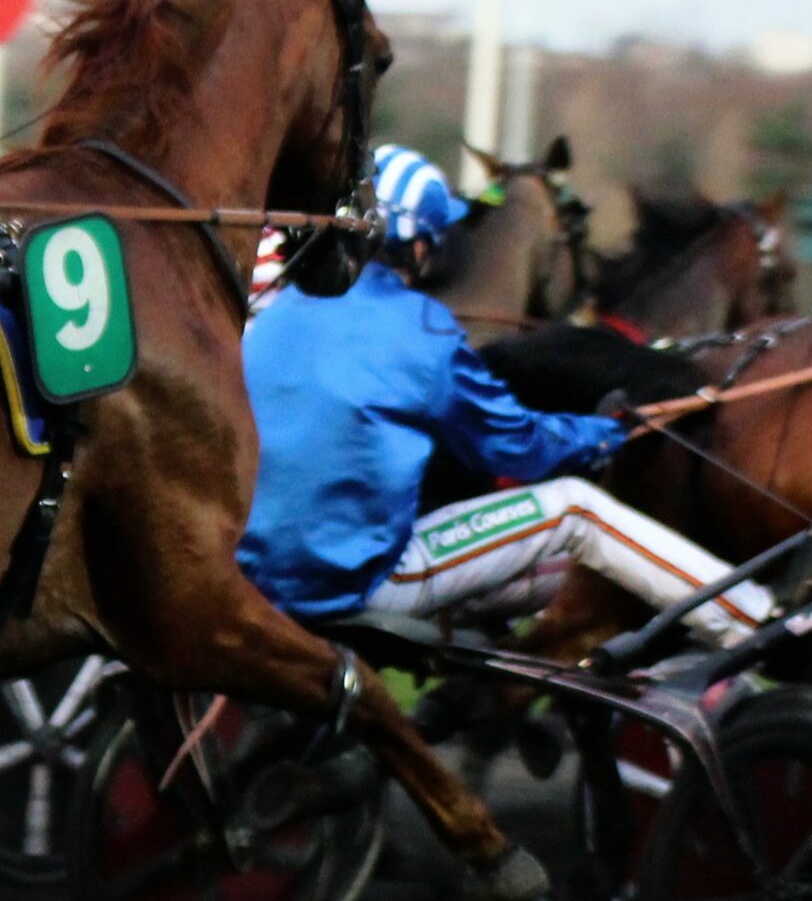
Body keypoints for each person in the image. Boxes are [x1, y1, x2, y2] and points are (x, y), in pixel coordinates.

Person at [239, 143, 772, 647]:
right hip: (354, 583)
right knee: (575, 509)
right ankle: (757, 620)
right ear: (420, 245)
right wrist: (608, 431)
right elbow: (515, 445)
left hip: (254, 572)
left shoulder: (282, 310)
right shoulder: (421, 330)